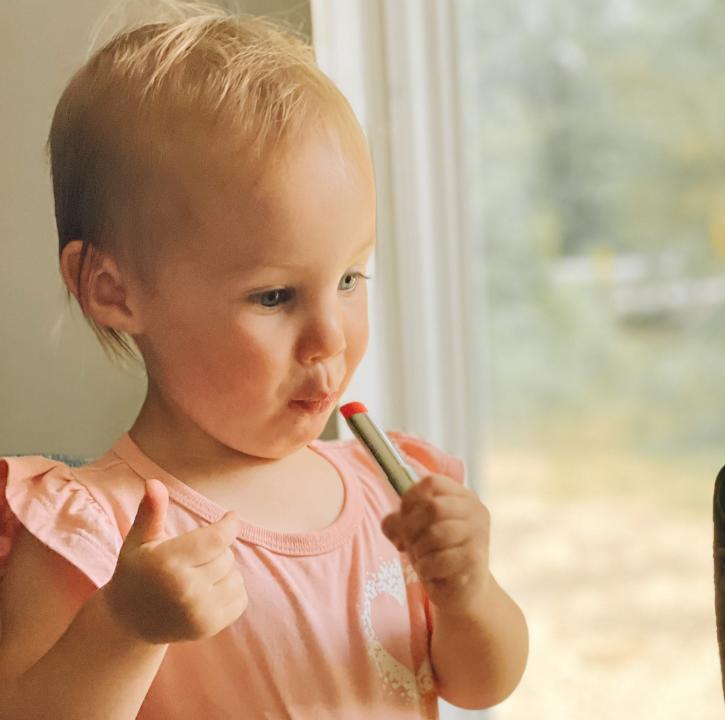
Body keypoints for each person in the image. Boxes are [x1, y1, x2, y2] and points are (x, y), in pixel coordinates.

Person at [0, 5, 528, 718]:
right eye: (275, 295)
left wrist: (470, 593)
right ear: (111, 290)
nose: (330, 338)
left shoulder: (392, 491)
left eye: (348, 280)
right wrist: (122, 630)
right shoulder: (90, 527)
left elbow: (482, 683)